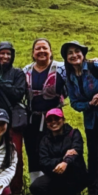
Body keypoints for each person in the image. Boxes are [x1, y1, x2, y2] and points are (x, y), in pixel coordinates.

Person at [63, 40, 98, 195]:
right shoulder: (69, 77)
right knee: (93, 155)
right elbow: (75, 103)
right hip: (90, 121)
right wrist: (89, 104)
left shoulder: (96, 66)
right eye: (70, 53)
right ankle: (93, 191)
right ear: (66, 58)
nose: (74, 55)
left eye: (77, 51)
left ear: (83, 53)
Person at [0, 41, 29, 195]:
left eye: (9, 54)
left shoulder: (17, 73)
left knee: (15, 157)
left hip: (12, 121)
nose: (5, 56)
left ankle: (15, 192)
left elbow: (17, 94)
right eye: (2, 53)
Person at [22, 39, 66, 184]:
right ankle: (37, 187)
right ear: (33, 53)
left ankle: (55, 185)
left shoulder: (61, 69)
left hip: (54, 120)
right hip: (32, 120)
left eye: (44, 48)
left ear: (50, 51)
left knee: (53, 151)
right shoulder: (25, 71)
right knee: (32, 152)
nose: (41, 51)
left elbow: (77, 77)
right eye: (38, 48)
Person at [29, 109, 88, 195]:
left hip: (76, 174)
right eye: (50, 120)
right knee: (35, 187)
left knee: (71, 169)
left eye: (57, 119)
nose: (53, 122)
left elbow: (77, 151)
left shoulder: (74, 133)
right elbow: (43, 162)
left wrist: (66, 163)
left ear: (63, 119)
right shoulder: (44, 140)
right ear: (46, 124)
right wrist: (63, 160)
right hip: (54, 174)